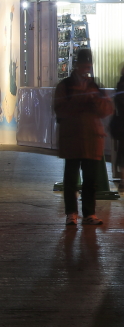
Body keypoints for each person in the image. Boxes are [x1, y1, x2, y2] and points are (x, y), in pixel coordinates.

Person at [54, 48, 110, 227]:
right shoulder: (66, 85)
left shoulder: (95, 85)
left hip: (92, 139)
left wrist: (95, 102)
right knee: (71, 179)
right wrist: (80, 101)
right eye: (84, 62)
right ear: (77, 64)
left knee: (90, 179)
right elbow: (59, 109)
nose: (86, 66)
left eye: (88, 63)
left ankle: (89, 213)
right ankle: (72, 213)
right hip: (73, 138)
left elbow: (106, 109)